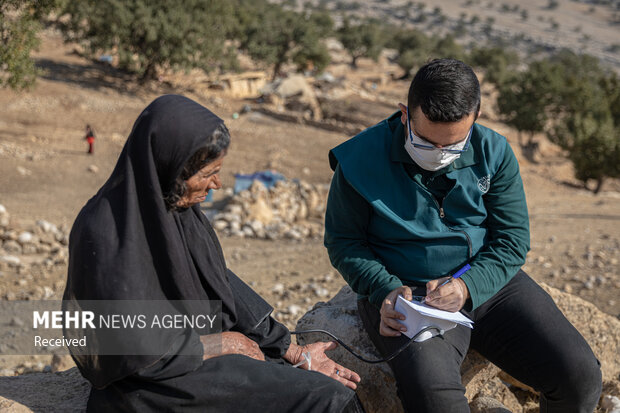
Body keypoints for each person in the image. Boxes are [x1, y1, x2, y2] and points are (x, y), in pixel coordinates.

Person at [324, 59, 602, 412]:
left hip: (486, 281)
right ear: (404, 114)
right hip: (411, 298)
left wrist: (467, 286)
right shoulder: (358, 160)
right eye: (425, 142)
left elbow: (512, 239)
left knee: (579, 378)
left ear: (476, 117)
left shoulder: (494, 151)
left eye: (453, 145)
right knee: (435, 402)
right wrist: (384, 289)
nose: (440, 155)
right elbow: (344, 242)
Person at [63, 95, 362, 412]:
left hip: (193, 354)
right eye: (208, 174)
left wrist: (292, 350)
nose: (217, 184)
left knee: (318, 387)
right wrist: (218, 345)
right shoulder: (102, 230)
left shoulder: (177, 211)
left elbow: (219, 282)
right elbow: (120, 342)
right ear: (172, 169)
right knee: (324, 398)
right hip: (149, 381)